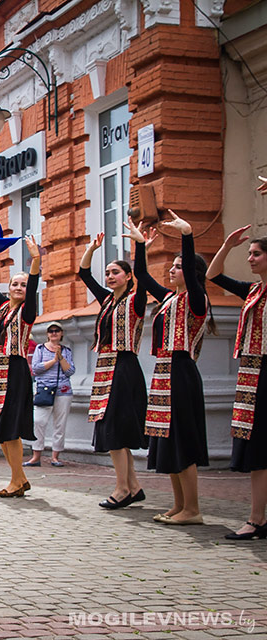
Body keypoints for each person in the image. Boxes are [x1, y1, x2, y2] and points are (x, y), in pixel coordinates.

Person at [133, 211, 212, 526]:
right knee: (167, 439)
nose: (172, 269)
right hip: (163, 372)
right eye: (173, 265)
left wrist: (187, 235)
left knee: (183, 440)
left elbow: (191, 275)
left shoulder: (196, 298)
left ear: (191, 272)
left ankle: (193, 509)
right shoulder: (168, 298)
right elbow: (142, 274)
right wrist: (140, 245)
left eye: (178, 266)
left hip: (181, 371)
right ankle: (179, 506)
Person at [79, 229, 150, 509]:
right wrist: (92, 249)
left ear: (128, 277)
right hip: (105, 368)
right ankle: (133, 486)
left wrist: (140, 245)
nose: (110, 277)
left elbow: (143, 275)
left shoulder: (136, 300)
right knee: (112, 429)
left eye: (116, 272)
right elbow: (84, 274)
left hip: (124, 366)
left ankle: (122, 489)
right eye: (108, 273)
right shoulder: (107, 300)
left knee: (116, 431)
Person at [206, 224, 267, 539]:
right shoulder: (253, 290)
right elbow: (213, 275)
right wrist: (227, 245)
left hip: (263, 372)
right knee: (257, 449)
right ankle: (257, 519)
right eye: (249, 253)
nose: (250, 258)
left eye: (256, 254)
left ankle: (257, 520)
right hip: (253, 373)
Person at [0, 236, 41, 497]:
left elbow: (34, 283)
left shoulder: (27, 311)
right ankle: (19, 479)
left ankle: (16, 481)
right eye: (15, 283)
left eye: (23, 285)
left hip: (15, 371)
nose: (18, 287)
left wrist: (35, 260)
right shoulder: (3, 307)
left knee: (10, 430)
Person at [24, 322, 75, 467]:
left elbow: (70, 371)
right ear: (47, 334)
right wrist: (53, 360)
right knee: (38, 421)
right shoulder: (40, 349)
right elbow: (36, 368)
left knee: (60, 424)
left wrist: (60, 358)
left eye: (57, 331)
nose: (54, 333)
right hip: (44, 390)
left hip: (63, 390)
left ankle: (55, 457)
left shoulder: (66, 351)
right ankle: (36, 456)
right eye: (51, 331)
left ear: (61, 333)